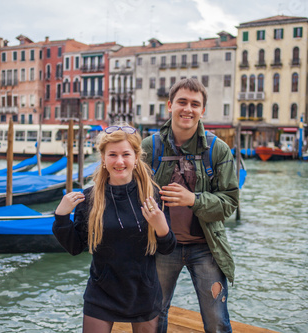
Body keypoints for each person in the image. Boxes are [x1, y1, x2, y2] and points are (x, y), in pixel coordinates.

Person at [52, 124, 177, 333]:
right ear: (103, 158)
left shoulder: (152, 195)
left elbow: (168, 248)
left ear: (136, 158)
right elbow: (75, 247)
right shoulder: (89, 198)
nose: (119, 161)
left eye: (126, 154)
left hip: (143, 292)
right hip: (101, 294)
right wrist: (61, 216)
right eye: (112, 155)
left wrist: (161, 227)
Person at [142, 78, 239, 333]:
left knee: (216, 320)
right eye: (182, 102)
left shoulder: (218, 150)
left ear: (203, 110)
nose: (188, 109)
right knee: (154, 315)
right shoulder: (149, 147)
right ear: (170, 105)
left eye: (195, 104)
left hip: (206, 246)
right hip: (163, 245)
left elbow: (230, 202)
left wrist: (193, 200)